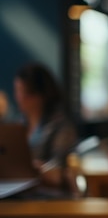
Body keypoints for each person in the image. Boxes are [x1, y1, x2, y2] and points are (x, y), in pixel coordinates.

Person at [13, 62, 79, 198]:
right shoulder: (19, 124)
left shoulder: (61, 126)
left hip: (49, 196)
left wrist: (35, 169)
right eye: (17, 91)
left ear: (39, 95)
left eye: (22, 92)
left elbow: (59, 174)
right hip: (21, 193)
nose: (18, 97)